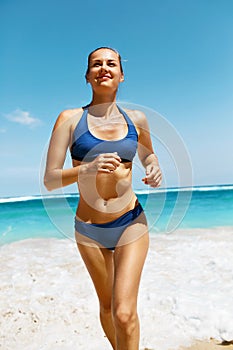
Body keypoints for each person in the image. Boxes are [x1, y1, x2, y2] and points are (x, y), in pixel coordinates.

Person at [44, 47, 162, 350]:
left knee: (124, 313)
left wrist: (154, 168)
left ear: (121, 75)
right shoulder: (69, 120)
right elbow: (50, 180)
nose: (104, 68)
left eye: (111, 64)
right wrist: (88, 168)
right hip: (88, 228)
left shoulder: (137, 119)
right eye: (96, 64)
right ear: (87, 76)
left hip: (130, 222)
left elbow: (148, 154)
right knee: (108, 308)